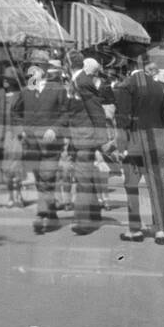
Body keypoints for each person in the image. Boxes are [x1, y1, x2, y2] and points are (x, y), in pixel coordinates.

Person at [114, 59, 164, 242]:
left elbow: (123, 120)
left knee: (131, 186)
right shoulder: (157, 87)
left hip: (134, 144)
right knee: (156, 186)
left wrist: (121, 147)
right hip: (155, 142)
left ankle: (135, 229)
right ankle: (160, 229)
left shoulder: (126, 86)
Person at [13, 49, 65, 235]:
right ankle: (52, 216)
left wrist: (54, 129)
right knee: (40, 180)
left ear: (45, 68)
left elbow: (66, 114)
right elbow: (15, 113)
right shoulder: (27, 90)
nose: (34, 69)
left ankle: (41, 215)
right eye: (31, 65)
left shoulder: (57, 89)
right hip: (32, 145)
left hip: (52, 145)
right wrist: (21, 131)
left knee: (47, 177)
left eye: (38, 65)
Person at [59, 52, 112, 231]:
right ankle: (95, 213)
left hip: (85, 138)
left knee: (82, 179)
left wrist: (102, 140)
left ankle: (82, 221)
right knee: (86, 176)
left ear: (68, 64)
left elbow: (96, 110)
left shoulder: (82, 82)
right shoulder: (75, 80)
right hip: (77, 137)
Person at [0, 66, 25, 207]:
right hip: (2, 136)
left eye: (8, 79)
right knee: (6, 168)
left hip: (16, 135)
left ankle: (18, 196)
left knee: (16, 166)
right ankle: (10, 196)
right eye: (4, 78)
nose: (4, 81)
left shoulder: (22, 95)